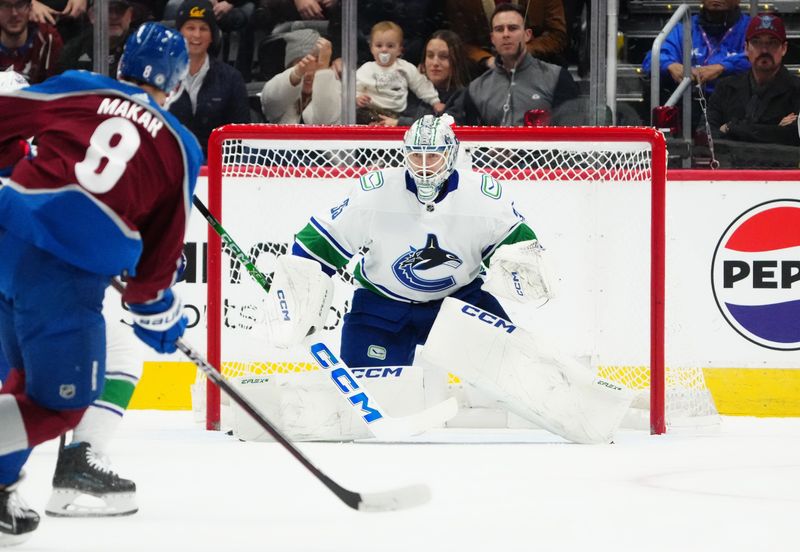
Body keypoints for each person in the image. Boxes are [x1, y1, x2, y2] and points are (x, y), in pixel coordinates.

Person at [0, 22, 203, 545]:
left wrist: (12, 167)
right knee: (64, 401)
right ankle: (72, 466)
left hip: (6, 233)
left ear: (120, 67)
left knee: (19, 378)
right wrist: (159, 315)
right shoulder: (181, 146)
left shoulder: (79, 86)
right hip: (60, 276)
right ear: (177, 86)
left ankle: (1, 493)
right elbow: (154, 274)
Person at [280, 114, 540, 370]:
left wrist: (530, 270)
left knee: (514, 365)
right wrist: (295, 289)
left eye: (433, 156)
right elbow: (319, 243)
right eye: (417, 156)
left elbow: (521, 247)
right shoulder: (375, 194)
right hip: (381, 306)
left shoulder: (483, 196)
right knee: (367, 391)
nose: (424, 166)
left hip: (460, 303)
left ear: (451, 155)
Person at [457, 3, 578, 126]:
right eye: (499, 29)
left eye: (513, 28)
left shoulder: (557, 78)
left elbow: (572, 135)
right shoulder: (476, 88)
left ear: (527, 35)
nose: (506, 34)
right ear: (492, 39)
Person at [704, 14, 800, 166]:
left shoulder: (797, 89)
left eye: (772, 43)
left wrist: (731, 127)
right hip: (730, 177)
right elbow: (706, 135)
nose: (764, 50)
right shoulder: (725, 87)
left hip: (783, 180)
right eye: (756, 42)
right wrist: (773, 129)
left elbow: (793, 137)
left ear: (784, 48)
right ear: (746, 48)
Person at [168, 0, 250, 159]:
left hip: (217, 169)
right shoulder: (160, 77)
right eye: (190, 28)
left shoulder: (231, 78)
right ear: (178, 33)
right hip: (171, 167)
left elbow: (240, 138)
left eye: (203, 29)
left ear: (213, 36)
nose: (197, 35)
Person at [641, 0, 750, 99]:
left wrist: (723, 67)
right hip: (691, 101)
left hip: (734, 103)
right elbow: (653, 58)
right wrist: (669, 65)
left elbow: (761, 57)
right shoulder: (685, 26)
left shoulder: (750, 27)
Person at [371, 29, 469, 127]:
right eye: (430, 56)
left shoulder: (462, 96)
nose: (435, 63)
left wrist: (399, 123)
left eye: (443, 56)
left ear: (456, 61)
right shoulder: (408, 89)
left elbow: (446, 127)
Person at [355, 20, 445, 125]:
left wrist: (435, 101)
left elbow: (420, 84)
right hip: (371, 110)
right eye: (379, 45)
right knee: (360, 115)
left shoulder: (405, 68)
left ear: (399, 50)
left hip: (396, 114)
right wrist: (358, 97)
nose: (384, 50)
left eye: (390, 46)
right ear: (371, 48)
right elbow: (354, 87)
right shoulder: (366, 69)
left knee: (410, 119)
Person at [445, 0, 568, 72]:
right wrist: (487, 60)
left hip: (538, 65)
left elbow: (557, 35)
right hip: (483, 69)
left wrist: (524, 52)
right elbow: (460, 41)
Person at [260, 28, 340, 124]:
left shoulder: (337, 91)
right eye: (303, 63)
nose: (309, 71)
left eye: (316, 63)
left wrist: (322, 71)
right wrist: (296, 73)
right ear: (290, 68)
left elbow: (324, 120)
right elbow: (270, 100)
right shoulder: (280, 91)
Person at [56, 0, 135, 75]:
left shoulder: (140, 47)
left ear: (130, 15)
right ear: (92, 16)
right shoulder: (74, 50)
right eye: (107, 10)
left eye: (119, 11)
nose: (114, 16)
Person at [0, 0, 63, 83]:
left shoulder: (48, 39)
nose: (14, 13)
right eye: (5, 5)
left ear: (30, 8)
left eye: (20, 5)